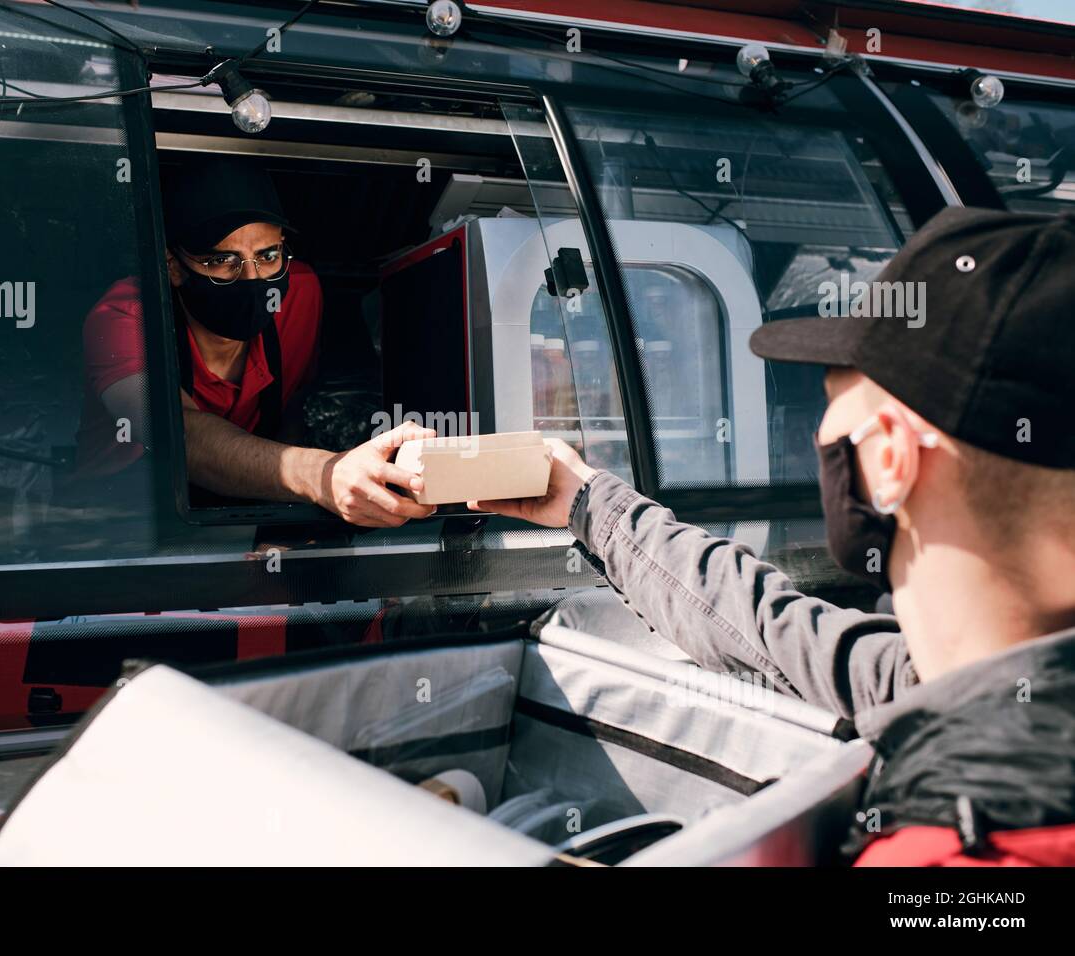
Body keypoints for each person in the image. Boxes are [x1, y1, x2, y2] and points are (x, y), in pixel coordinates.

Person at [475, 207, 1075, 866]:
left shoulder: (958, 858)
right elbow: (774, 635)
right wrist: (586, 501)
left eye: (831, 399)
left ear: (890, 460)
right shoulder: (958, 678)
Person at [74, 156, 434, 527]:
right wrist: (324, 475)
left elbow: (293, 399)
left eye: (267, 255)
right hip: (119, 518)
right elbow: (179, 436)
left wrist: (280, 523)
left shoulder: (299, 292)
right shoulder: (126, 317)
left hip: (244, 505)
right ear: (173, 265)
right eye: (222, 260)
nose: (253, 278)